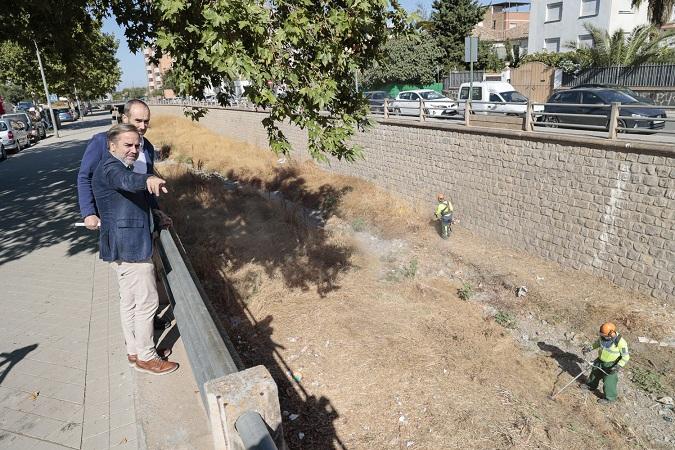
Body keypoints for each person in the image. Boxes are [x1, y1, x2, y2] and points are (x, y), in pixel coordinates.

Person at [77, 99, 171, 331]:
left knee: (141, 282)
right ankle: (143, 335)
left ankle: (145, 324)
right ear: (125, 118)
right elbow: (84, 177)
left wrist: (156, 210)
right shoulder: (102, 142)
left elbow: (144, 184)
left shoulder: (146, 146)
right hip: (119, 223)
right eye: (137, 120)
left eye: (146, 122)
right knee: (134, 281)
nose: (142, 126)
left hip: (143, 221)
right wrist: (89, 212)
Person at [92, 123, 178, 375]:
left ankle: (135, 350)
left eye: (137, 145)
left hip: (121, 244)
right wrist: (149, 178)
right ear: (112, 145)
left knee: (129, 301)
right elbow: (128, 182)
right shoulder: (111, 168)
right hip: (130, 247)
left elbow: (131, 197)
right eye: (127, 145)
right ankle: (147, 357)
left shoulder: (118, 165)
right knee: (147, 301)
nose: (134, 150)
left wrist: (155, 213)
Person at [582, 322, 630, 404]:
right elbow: (597, 343)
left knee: (609, 381)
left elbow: (626, 357)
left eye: (604, 336)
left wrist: (618, 366)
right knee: (594, 373)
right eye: (601, 335)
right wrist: (589, 348)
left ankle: (610, 398)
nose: (602, 337)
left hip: (611, 364)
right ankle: (590, 386)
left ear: (612, 334)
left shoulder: (620, 342)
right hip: (600, 360)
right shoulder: (603, 338)